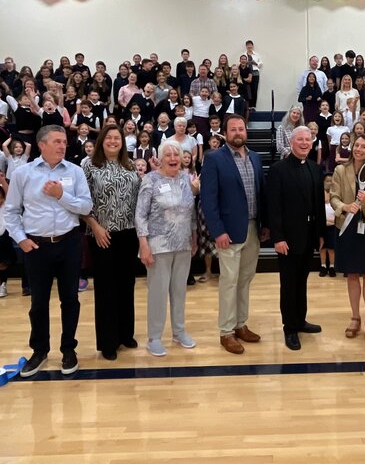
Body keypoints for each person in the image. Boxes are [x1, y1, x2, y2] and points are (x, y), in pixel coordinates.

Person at [4, 125, 93, 378]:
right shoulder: (23, 174)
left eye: (64, 141)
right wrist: (21, 240)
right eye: (56, 141)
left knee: (70, 300)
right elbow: (11, 212)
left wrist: (61, 195)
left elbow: (86, 206)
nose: (62, 146)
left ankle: (68, 349)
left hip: (69, 243)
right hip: (36, 246)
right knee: (38, 303)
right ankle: (40, 350)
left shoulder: (75, 172)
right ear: (41, 145)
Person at [200, 114, 268, 355]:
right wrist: (217, 231)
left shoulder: (255, 158)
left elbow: (261, 194)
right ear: (225, 133)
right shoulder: (214, 159)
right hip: (228, 232)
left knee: (245, 280)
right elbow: (208, 201)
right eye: (233, 129)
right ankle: (226, 332)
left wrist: (265, 224)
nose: (238, 133)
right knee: (228, 282)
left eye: (241, 129)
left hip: (253, 228)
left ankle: (240, 324)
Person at [81, 124, 141, 360]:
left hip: (128, 233)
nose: (114, 141)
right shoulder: (89, 165)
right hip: (101, 234)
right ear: (101, 142)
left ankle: (126, 334)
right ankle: (108, 341)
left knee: (126, 285)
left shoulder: (130, 165)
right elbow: (81, 200)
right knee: (106, 288)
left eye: (117, 138)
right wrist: (95, 226)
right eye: (109, 138)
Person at [135, 140, 198, 357]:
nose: (173, 158)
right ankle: (154, 337)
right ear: (160, 158)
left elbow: (190, 211)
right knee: (158, 294)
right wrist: (143, 244)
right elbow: (140, 214)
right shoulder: (150, 180)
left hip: (183, 243)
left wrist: (194, 237)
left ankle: (179, 332)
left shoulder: (185, 179)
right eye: (168, 155)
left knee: (179, 291)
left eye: (176, 154)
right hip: (158, 245)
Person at [267, 126, 326, 351]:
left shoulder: (314, 167)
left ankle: (300, 320)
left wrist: (321, 233)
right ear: (291, 142)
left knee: (302, 283)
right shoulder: (278, 170)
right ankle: (289, 327)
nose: (304, 143)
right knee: (289, 284)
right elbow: (274, 207)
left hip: (309, 237)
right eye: (299, 139)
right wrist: (277, 237)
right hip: (288, 239)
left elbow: (318, 203)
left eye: (307, 140)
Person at [329, 134, 365, 342]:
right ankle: (355, 317)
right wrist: (345, 207)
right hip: (346, 228)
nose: (358, 149)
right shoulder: (340, 170)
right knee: (352, 275)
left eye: (363, 146)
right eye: (356, 146)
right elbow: (333, 197)